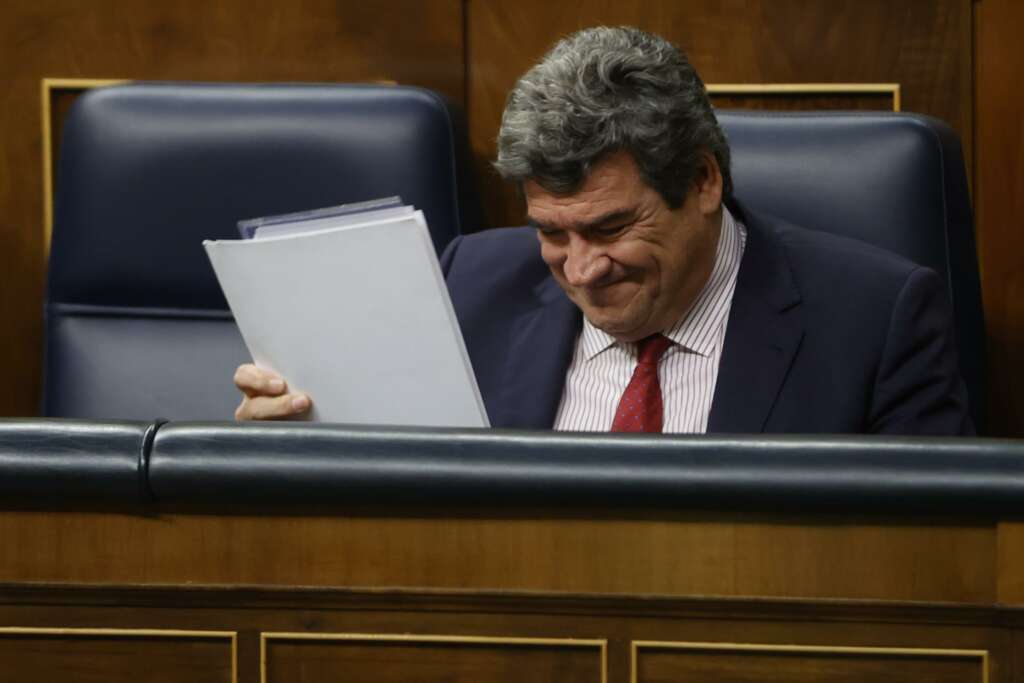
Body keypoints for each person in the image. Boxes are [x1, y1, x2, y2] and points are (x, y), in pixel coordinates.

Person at [234, 26, 973, 435]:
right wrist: (291, 445)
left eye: (612, 226)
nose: (582, 270)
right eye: (552, 233)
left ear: (704, 181)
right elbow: (395, 501)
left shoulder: (878, 320)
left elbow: (934, 569)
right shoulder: (470, 285)